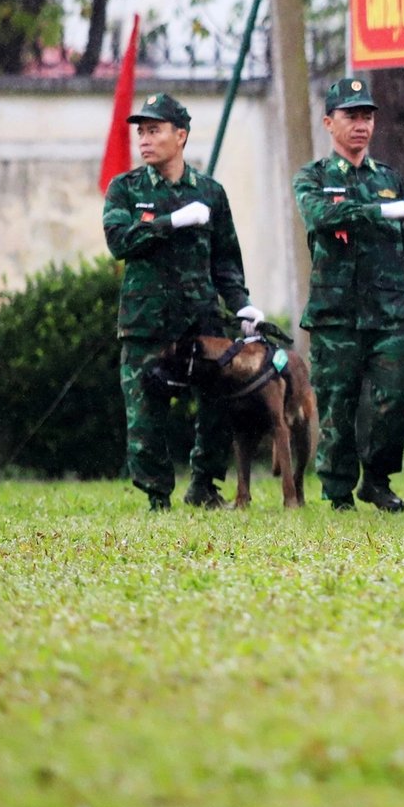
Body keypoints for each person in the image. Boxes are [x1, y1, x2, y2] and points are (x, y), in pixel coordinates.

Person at [292, 77, 404, 512]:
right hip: (334, 315)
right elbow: (319, 215)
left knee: (394, 403)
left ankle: (377, 479)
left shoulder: (389, 180)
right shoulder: (314, 178)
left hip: (387, 315)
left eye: (366, 116)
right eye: (350, 116)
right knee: (337, 406)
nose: (360, 125)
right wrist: (376, 211)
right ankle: (339, 490)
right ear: (329, 122)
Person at [101, 92, 261, 510]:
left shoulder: (210, 193)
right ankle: (157, 496)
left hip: (201, 322)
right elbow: (119, 241)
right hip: (146, 322)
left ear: (181, 135)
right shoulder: (126, 189)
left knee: (217, 405)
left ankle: (204, 486)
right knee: (145, 413)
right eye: (142, 131)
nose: (145, 139)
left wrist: (241, 304)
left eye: (154, 130)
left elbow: (226, 259)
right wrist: (171, 221)